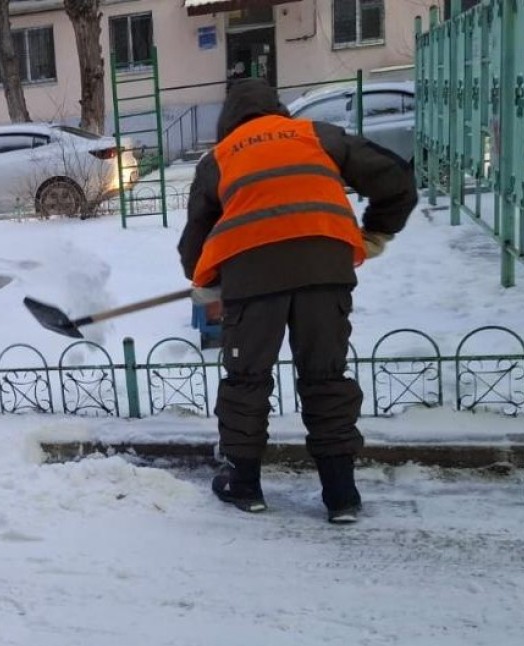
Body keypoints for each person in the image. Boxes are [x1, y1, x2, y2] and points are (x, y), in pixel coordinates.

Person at [178, 79, 417, 524]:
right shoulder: (317, 136)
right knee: (326, 377)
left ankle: (244, 484)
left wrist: (209, 277)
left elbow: (193, 247)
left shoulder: (219, 159)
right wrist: (377, 231)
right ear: (278, 110)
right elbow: (396, 179)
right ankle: (341, 494)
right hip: (324, 271)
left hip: (250, 278)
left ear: (228, 119)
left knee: (246, 379)